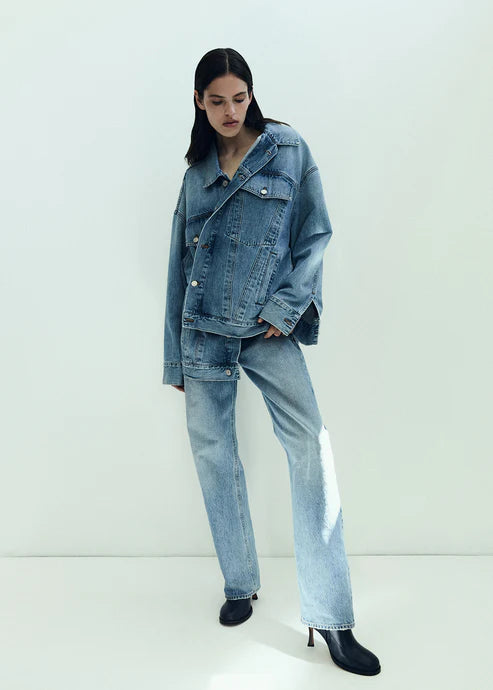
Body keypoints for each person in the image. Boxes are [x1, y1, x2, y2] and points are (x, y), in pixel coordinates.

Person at [162, 47, 381, 676]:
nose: (231, 111)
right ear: (199, 103)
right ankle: (240, 582)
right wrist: (175, 359)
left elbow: (316, 234)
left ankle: (331, 617)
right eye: (217, 101)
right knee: (214, 457)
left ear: (252, 94)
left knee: (311, 447)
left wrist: (285, 309)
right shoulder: (196, 174)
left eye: (240, 97)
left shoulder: (287, 150)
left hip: (266, 329)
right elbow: (179, 267)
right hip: (203, 333)